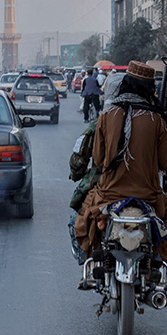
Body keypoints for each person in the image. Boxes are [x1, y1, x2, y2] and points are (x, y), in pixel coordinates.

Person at [74, 61, 167, 264]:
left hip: (108, 195)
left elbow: (97, 159)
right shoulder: (157, 119)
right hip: (149, 197)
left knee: (84, 216)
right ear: (149, 88)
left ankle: (93, 264)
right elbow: (165, 161)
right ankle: (158, 260)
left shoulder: (107, 114)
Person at [68, 72, 126, 265]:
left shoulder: (101, 121)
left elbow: (79, 158)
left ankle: (87, 265)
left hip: (105, 188)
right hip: (143, 190)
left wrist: (77, 173)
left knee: (74, 223)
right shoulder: (149, 120)